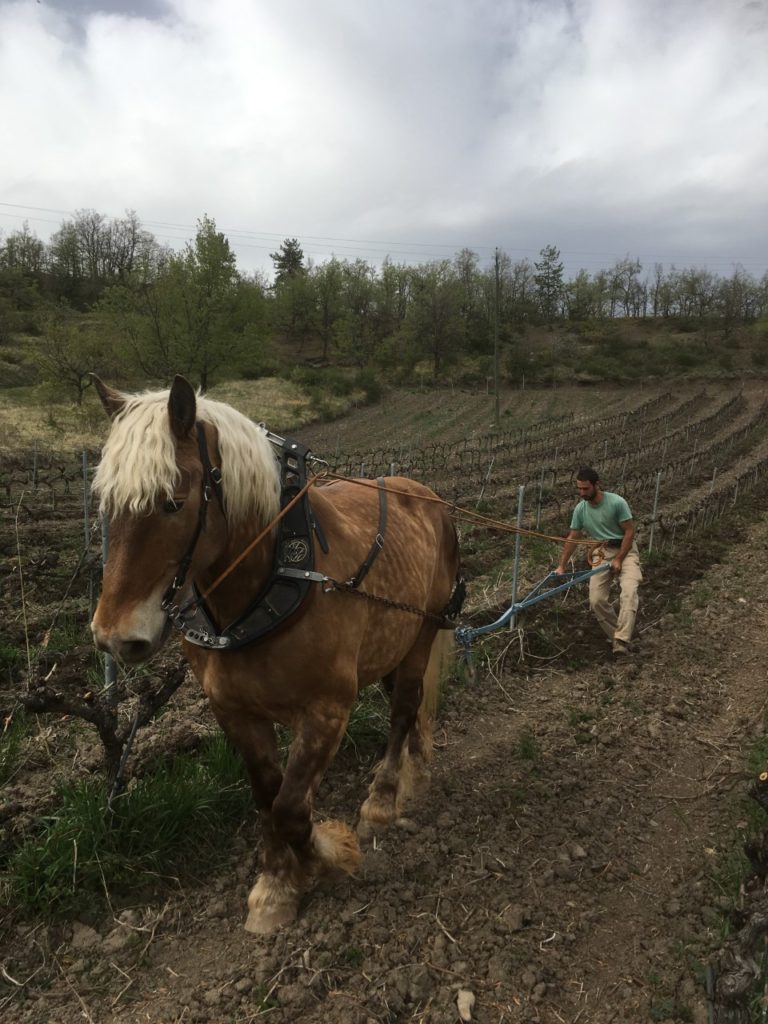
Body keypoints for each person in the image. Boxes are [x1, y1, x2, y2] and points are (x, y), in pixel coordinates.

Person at [554, 467, 642, 656]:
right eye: (579, 489)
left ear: (597, 485)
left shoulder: (617, 503)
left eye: (585, 489)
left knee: (629, 591)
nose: (582, 493)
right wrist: (562, 565)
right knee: (596, 600)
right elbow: (573, 537)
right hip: (601, 553)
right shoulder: (580, 509)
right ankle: (619, 639)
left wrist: (619, 560)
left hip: (625, 551)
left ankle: (621, 639)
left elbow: (629, 531)